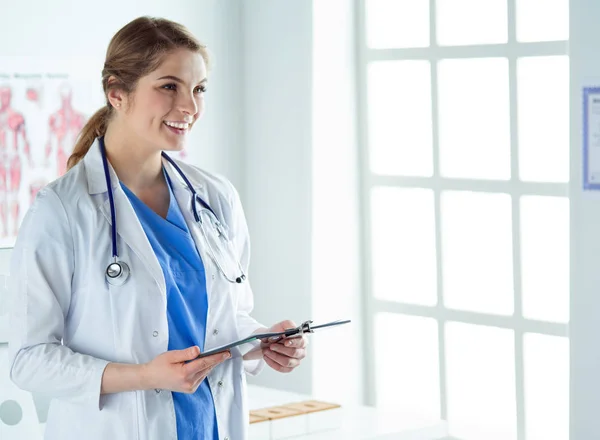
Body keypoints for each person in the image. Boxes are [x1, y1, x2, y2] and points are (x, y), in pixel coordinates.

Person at [7, 16, 307, 440]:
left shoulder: (215, 197)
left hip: (211, 425)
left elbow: (224, 319)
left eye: (198, 88)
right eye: (169, 86)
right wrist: (144, 376)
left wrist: (263, 340)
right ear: (117, 92)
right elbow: (29, 360)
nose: (190, 107)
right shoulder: (62, 210)